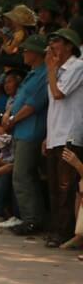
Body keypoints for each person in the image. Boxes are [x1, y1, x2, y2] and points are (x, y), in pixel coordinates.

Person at [3, 35, 49, 236]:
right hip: (22, 129)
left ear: (37, 53)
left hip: (32, 130)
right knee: (25, 176)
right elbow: (19, 100)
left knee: (22, 176)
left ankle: (32, 220)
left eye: (27, 50)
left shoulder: (44, 74)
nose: (23, 53)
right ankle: (31, 218)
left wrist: (13, 120)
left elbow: (32, 105)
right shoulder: (32, 74)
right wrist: (8, 115)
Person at [43, 28, 83, 247]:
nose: (52, 46)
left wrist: (50, 69)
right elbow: (54, 106)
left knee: (66, 186)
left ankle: (64, 231)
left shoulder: (77, 66)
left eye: (56, 41)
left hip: (69, 135)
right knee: (54, 185)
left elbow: (59, 94)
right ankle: (56, 229)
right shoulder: (57, 69)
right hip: (55, 134)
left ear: (69, 45)